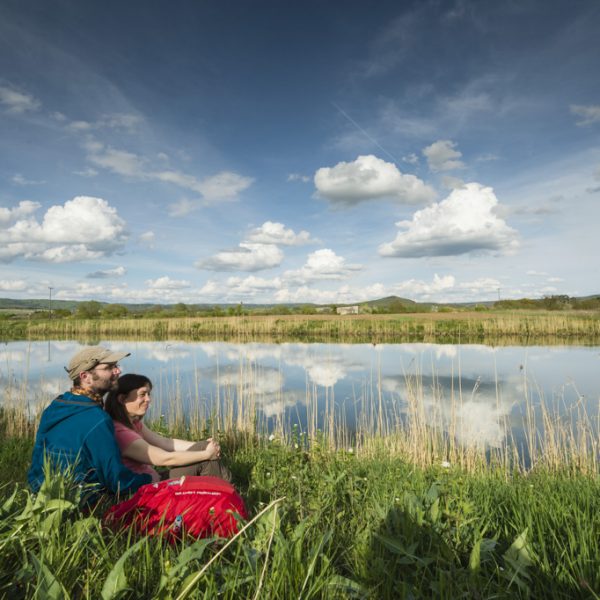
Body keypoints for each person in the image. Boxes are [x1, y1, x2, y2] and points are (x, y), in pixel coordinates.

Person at [28, 346, 152, 502]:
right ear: (85, 376)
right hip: (78, 501)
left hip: (41, 492)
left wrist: (36, 491)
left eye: (116, 366)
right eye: (109, 367)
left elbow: (38, 455)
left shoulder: (56, 406)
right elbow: (117, 481)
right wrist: (148, 479)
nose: (118, 371)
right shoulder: (97, 418)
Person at [104, 373, 231, 483]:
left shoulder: (134, 423)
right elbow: (165, 458)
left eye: (148, 394)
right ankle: (226, 499)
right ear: (122, 399)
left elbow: (165, 442)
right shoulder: (122, 433)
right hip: (147, 490)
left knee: (204, 448)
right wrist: (206, 454)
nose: (148, 399)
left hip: (155, 478)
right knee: (205, 459)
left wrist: (206, 446)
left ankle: (220, 498)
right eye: (142, 394)